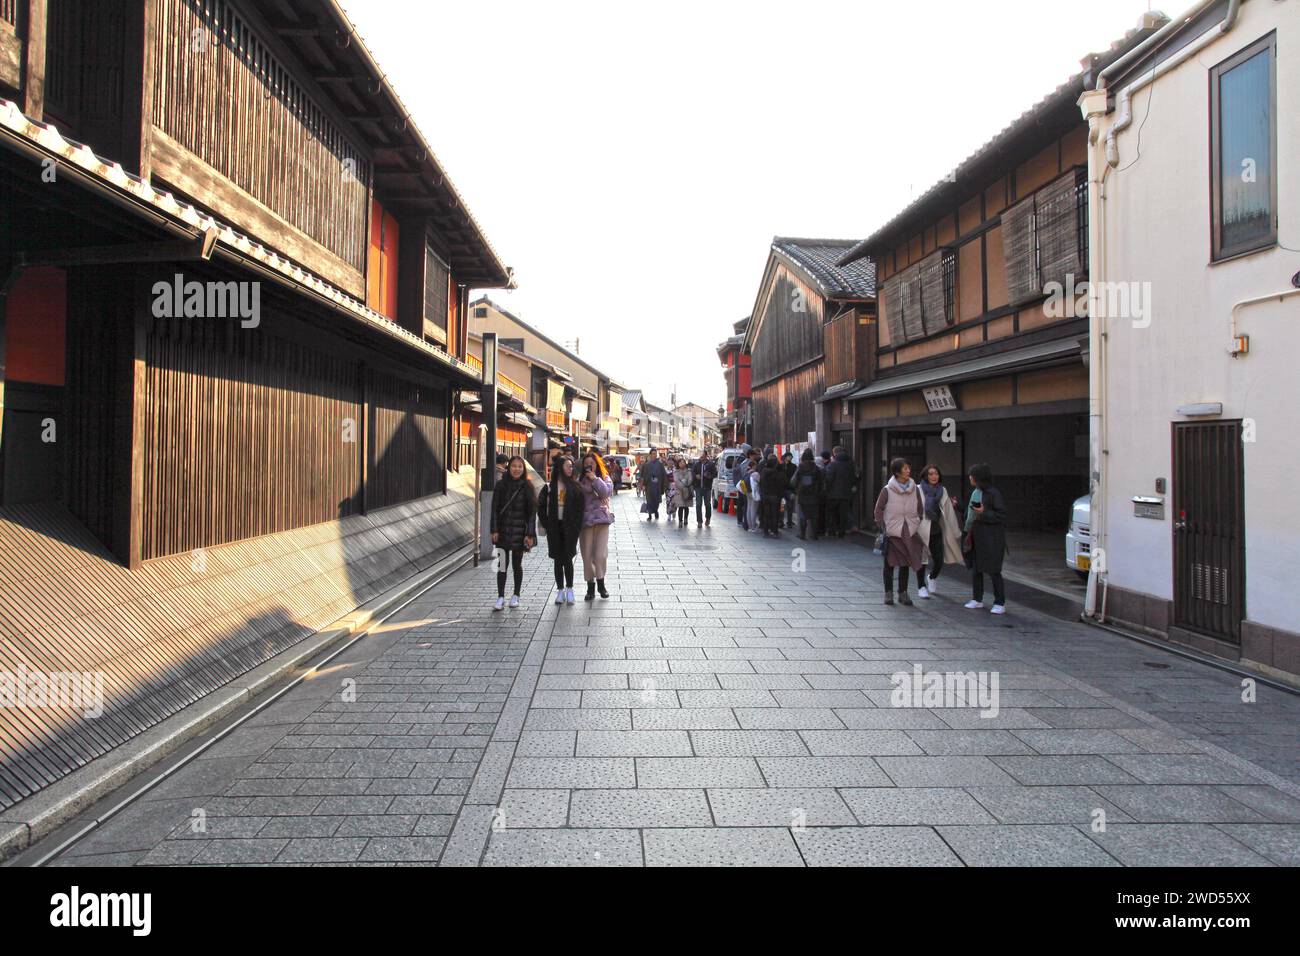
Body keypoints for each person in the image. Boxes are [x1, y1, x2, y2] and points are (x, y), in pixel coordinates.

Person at [873, 457, 925, 606]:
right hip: (892, 532)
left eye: (908, 468)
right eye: (905, 469)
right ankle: (888, 593)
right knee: (889, 564)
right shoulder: (887, 490)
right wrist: (883, 526)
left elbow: (920, 507)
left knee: (905, 563)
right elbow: (878, 509)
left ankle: (903, 592)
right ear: (897, 472)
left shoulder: (914, 488)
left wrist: (916, 521)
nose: (908, 471)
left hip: (909, 530)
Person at [489, 455, 536, 610]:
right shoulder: (501, 485)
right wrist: (494, 529)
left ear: (523, 469)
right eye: (514, 466)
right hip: (502, 531)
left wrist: (529, 534)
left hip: (519, 532)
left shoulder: (527, 487)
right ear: (509, 468)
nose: (517, 469)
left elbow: (531, 513)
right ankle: (500, 596)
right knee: (502, 565)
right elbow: (494, 509)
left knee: (517, 565)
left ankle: (516, 595)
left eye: (520, 467)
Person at [537, 455, 584, 604]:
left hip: (570, 527)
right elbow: (541, 506)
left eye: (571, 466)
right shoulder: (549, 487)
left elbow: (580, 510)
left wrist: (576, 527)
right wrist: (547, 524)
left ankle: (570, 589)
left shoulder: (576, 487)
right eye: (567, 466)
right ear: (560, 468)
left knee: (568, 559)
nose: (571, 469)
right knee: (558, 560)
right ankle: (560, 590)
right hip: (555, 527)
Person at [963, 463, 1009, 614]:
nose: (970, 477)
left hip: (992, 537)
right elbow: (971, 513)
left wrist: (984, 512)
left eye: (972, 475)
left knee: (994, 570)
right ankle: (977, 599)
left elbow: (1001, 515)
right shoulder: (976, 492)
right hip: (976, 535)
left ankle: (999, 602)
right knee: (976, 569)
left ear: (978, 478)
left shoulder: (993, 493)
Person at [917, 464, 963, 598]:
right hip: (922, 529)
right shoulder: (918, 489)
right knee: (922, 559)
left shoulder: (943, 490)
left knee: (939, 560)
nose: (933, 476)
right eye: (930, 474)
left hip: (937, 529)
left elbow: (948, 512)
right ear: (925, 475)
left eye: (936, 474)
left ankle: (932, 576)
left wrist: (955, 531)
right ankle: (921, 586)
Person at [578, 453, 614, 600]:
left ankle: (601, 583)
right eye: (586, 464)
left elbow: (605, 492)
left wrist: (594, 479)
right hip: (585, 522)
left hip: (601, 520)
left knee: (600, 555)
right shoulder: (579, 480)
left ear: (597, 464)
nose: (589, 466)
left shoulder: (604, 478)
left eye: (591, 463)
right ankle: (590, 587)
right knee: (587, 556)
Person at [791, 449, 824, 540]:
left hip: (802, 495)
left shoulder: (800, 467)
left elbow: (793, 481)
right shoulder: (816, 468)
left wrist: (796, 489)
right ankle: (814, 535)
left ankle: (802, 534)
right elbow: (821, 482)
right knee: (814, 516)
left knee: (802, 515)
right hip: (814, 495)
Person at [824, 446, 857, 537]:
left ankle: (832, 531)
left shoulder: (832, 465)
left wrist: (827, 490)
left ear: (835, 454)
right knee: (843, 514)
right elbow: (855, 477)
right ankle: (842, 532)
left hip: (833, 495)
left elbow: (828, 479)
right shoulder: (850, 464)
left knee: (832, 513)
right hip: (846, 494)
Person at [758, 456, 785, 537]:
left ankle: (766, 531)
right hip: (775, 496)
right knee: (775, 514)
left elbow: (760, 484)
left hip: (765, 496)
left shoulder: (763, 472)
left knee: (766, 514)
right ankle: (775, 531)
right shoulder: (777, 473)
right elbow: (781, 485)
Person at [691, 450, 717, 527]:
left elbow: (715, 474)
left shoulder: (711, 464)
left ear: (706, 456)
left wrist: (709, 475)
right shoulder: (697, 464)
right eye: (700, 456)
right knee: (698, 504)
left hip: (707, 487)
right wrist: (695, 476)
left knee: (707, 504)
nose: (701, 457)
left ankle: (708, 518)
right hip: (698, 487)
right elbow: (692, 472)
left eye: (702, 456)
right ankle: (699, 521)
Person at [639, 450, 669, 520]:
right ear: (650, 455)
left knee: (656, 500)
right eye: (652, 454)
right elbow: (643, 475)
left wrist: (665, 484)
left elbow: (664, 475)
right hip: (649, 485)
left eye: (655, 454)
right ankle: (649, 514)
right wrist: (643, 485)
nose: (654, 455)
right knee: (649, 499)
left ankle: (655, 510)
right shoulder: (646, 465)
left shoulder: (660, 464)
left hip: (657, 485)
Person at [672, 456, 694, 526]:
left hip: (688, 490)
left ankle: (686, 519)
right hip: (679, 491)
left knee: (686, 506)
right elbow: (676, 480)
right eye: (680, 463)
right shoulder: (676, 471)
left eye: (683, 462)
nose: (682, 464)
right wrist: (682, 486)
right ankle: (680, 520)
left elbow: (690, 479)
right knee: (680, 506)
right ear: (678, 464)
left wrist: (686, 484)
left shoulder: (689, 471)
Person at [780, 452, 797, 528]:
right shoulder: (781, 466)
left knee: (790, 506)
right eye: (789, 456)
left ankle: (789, 522)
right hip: (783, 489)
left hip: (790, 489)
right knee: (782, 506)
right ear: (785, 457)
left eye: (791, 456)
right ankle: (781, 521)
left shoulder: (794, 466)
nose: (790, 458)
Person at [746, 457, 762, 533]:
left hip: (747, 491)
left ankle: (749, 525)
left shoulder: (747, 472)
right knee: (754, 509)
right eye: (755, 465)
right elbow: (760, 482)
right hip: (754, 492)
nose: (756, 467)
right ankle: (753, 526)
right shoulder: (755, 474)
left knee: (749, 508)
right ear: (753, 466)